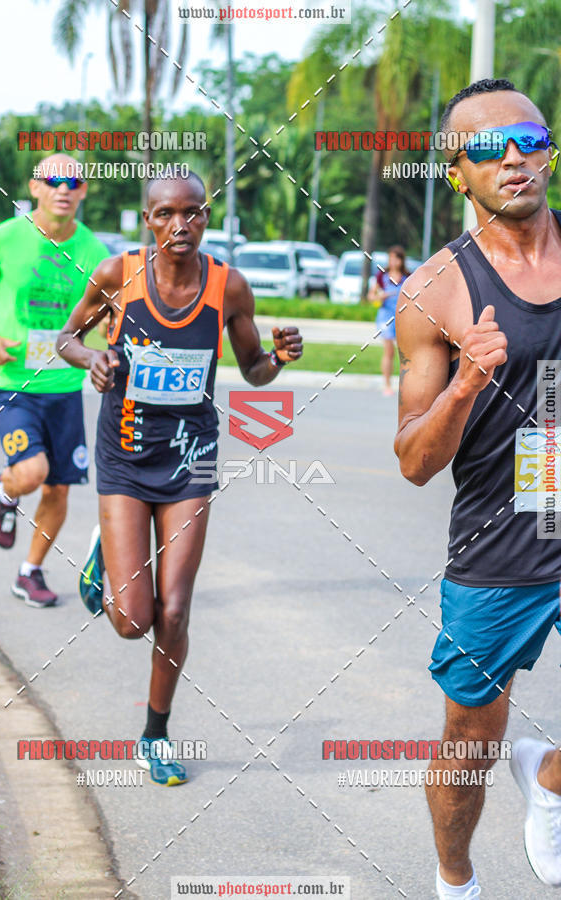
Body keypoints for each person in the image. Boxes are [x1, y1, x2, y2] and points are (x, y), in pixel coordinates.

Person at [56, 171, 303, 786]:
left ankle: (155, 733)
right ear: (149, 219)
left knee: (174, 609)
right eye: (166, 213)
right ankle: (104, 556)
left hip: (191, 459)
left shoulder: (229, 286)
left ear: (207, 217)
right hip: (125, 454)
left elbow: (255, 370)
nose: (180, 225)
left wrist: (281, 355)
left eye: (193, 213)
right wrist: (93, 358)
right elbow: (64, 338)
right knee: (130, 619)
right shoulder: (119, 276)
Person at [394, 78, 561, 898]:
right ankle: (455, 879)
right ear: (455, 172)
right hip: (501, 541)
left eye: (529, 138)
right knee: (469, 745)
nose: (515, 157)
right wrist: (464, 386)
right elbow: (414, 461)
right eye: (488, 148)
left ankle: (553, 782)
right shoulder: (436, 291)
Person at [0, 154, 108, 607]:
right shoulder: (4, 239)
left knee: (59, 486)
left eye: (74, 181)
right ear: (35, 188)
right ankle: (5, 489)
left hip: (64, 385)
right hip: (14, 381)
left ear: (83, 191)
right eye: (53, 181)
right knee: (33, 470)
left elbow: (107, 309)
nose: (64, 188)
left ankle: (30, 571)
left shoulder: (93, 251)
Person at [367, 245, 410, 395]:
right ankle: (387, 384)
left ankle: (406, 385)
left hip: (402, 316)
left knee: (404, 353)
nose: (393, 261)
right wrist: (381, 296)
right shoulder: (382, 276)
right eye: (391, 258)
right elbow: (371, 296)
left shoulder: (408, 277)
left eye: (396, 258)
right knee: (389, 350)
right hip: (385, 316)